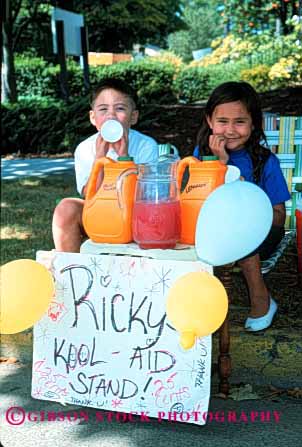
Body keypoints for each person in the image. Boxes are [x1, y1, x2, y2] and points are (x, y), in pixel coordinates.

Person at [193, 81, 291, 332]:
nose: (230, 130)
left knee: (241, 237)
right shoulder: (199, 156)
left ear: (254, 123)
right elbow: (195, 201)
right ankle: (198, 305)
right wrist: (215, 165)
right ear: (209, 121)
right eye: (222, 121)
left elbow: (279, 217)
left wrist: (228, 171)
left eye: (240, 122)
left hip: (262, 233)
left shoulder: (265, 161)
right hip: (214, 230)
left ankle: (262, 300)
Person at [52, 78, 158, 253]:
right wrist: (100, 158)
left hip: (135, 217)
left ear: (134, 117)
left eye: (120, 108)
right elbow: (89, 196)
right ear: (93, 118)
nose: (111, 116)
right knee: (66, 208)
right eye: (103, 109)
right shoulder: (85, 148)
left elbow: (147, 197)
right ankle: (71, 267)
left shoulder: (146, 146)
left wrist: (125, 158)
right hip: (99, 214)